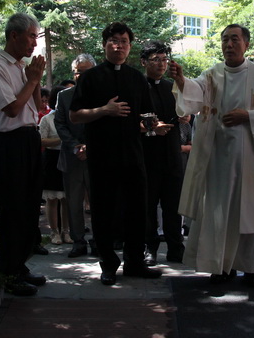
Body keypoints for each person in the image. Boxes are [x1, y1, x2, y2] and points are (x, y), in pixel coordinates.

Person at [170, 24, 254, 288]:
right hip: (218, 155)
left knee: (249, 210)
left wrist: (249, 116)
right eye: (224, 40)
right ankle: (220, 265)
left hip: (249, 155)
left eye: (234, 39)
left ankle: (251, 267)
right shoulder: (212, 74)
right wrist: (181, 80)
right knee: (219, 211)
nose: (228, 44)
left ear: (246, 44)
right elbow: (194, 96)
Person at [70, 22, 162, 286]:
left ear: (130, 46)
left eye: (124, 41)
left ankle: (134, 262)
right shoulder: (90, 77)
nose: (119, 45)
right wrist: (104, 111)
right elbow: (75, 115)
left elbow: (147, 117)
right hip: (101, 157)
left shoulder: (137, 79)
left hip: (133, 156)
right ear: (104, 44)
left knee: (137, 209)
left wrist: (153, 126)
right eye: (114, 40)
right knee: (103, 212)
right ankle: (108, 264)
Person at [0, 13, 46, 296]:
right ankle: (7, 272)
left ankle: (20, 265)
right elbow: (11, 109)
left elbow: (33, 105)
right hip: (7, 143)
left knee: (29, 206)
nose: (35, 42)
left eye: (36, 37)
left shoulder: (22, 68)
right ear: (13, 35)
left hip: (28, 138)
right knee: (11, 207)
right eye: (31, 36)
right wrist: (32, 80)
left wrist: (36, 79)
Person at [140, 40, 184, 265]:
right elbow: (130, 120)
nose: (161, 64)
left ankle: (176, 247)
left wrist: (184, 117)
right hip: (148, 156)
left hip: (172, 155)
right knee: (148, 207)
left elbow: (182, 112)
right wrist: (150, 127)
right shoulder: (137, 87)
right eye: (155, 60)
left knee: (173, 206)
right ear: (144, 62)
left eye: (164, 59)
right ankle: (150, 248)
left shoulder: (171, 87)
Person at [55, 54, 96, 258]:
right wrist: (76, 146)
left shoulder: (102, 96)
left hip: (96, 156)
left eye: (86, 71)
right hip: (72, 157)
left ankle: (99, 240)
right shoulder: (64, 96)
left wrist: (89, 146)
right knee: (73, 202)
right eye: (78, 71)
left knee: (98, 201)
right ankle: (78, 241)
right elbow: (60, 124)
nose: (81, 75)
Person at [39, 85, 72, 245]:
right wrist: (61, 139)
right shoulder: (47, 119)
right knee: (52, 199)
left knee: (66, 199)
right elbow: (41, 140)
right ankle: (54, 232)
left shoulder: (71, 117)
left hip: (67, 158)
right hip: (52, 159)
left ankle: (66, 231)